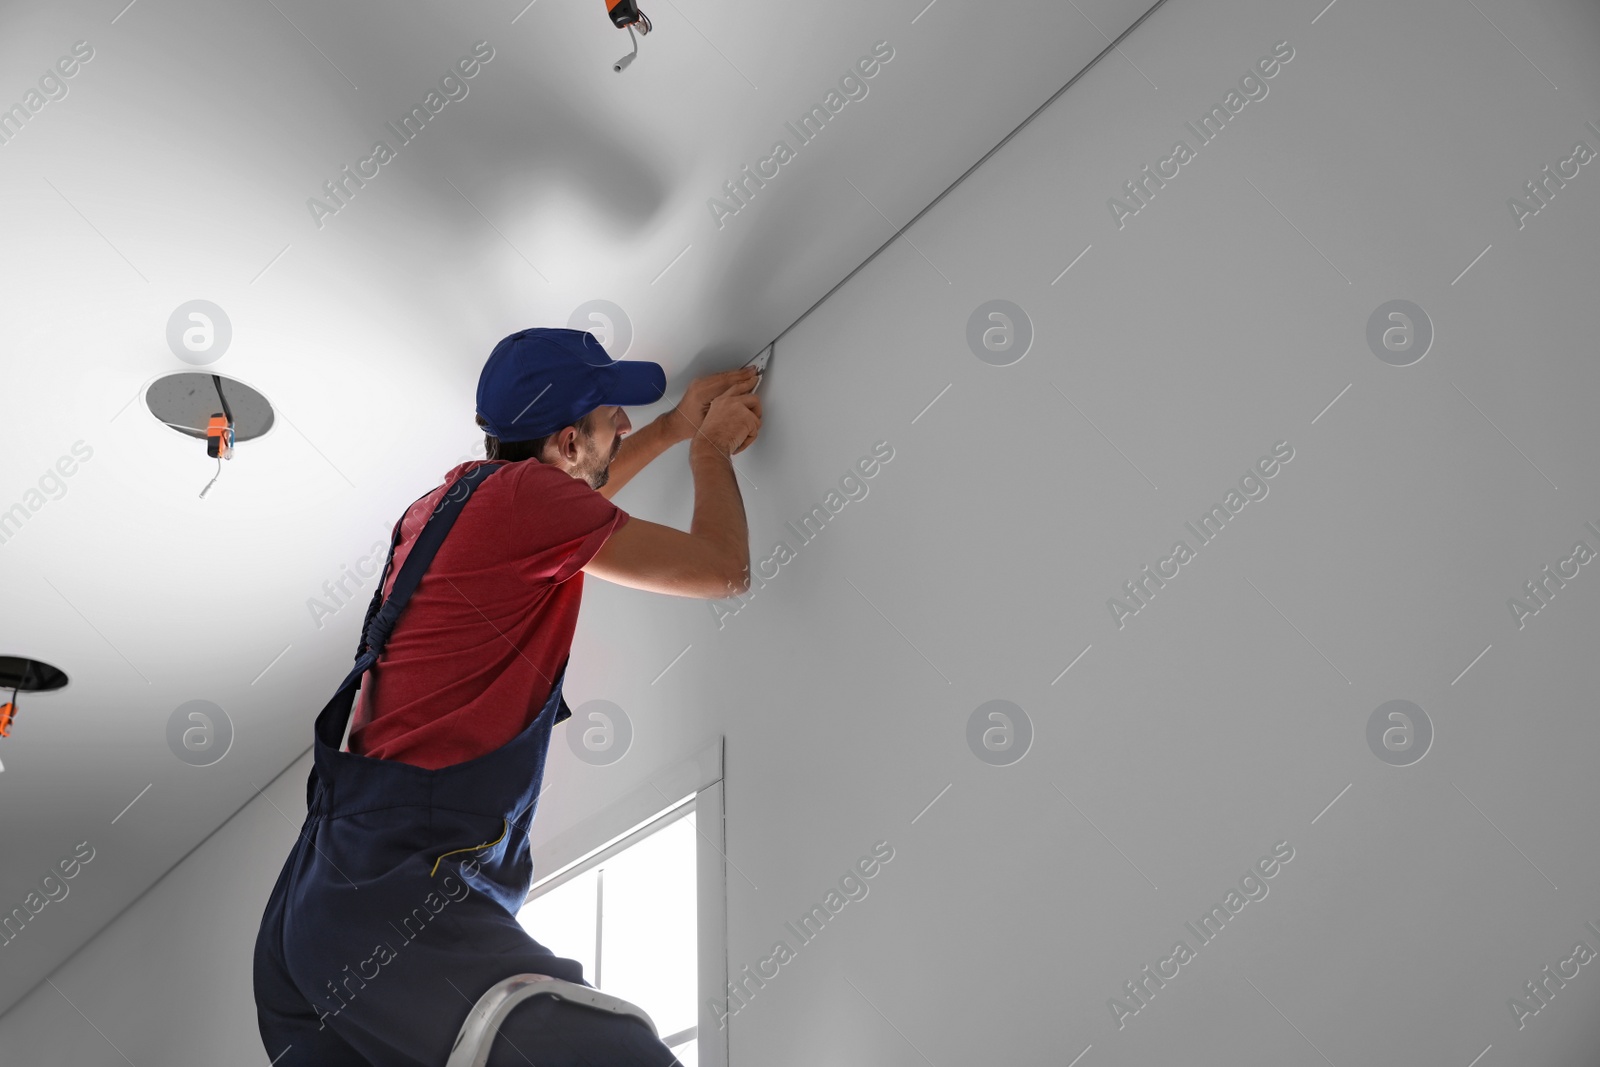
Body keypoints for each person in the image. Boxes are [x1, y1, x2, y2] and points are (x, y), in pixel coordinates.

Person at [253, 327, 762, 1066]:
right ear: (565, 442)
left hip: (318, 912)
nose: (623, 422)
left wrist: (676, 425)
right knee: (606, 1054)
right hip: (397, 891)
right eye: (608, 413)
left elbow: (571, 510)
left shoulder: (448, 505)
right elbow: (723, 568)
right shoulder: (531, 505)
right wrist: (707, 450)